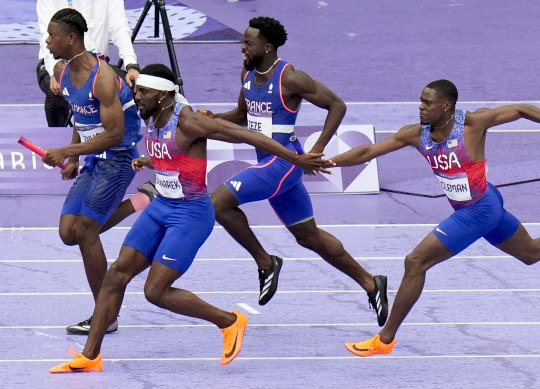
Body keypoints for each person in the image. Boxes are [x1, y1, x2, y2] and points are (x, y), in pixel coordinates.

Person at [48, 63, 334, 373]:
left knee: (155, 292)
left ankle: (230, 321)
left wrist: (296, 158)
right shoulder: (154, 117)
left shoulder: (190, 121)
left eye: (143, 92)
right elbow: (175, 156)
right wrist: (151, 159)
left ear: (164, 94)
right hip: (161, 208)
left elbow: (249, 136)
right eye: (136, 90)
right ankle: (90, 356)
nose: (136, 96)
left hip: (191, 214)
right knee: (116, 274)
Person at [331, 79, 540, 356]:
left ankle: (384, 340)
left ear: (446, 105)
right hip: (484, 204)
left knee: (415, 261)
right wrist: (329, 162)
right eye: (421, 101)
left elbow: (521, 109)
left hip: (478, 209)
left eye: (427, 103)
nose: (420, 107)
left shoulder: (474, 124)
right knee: (532, 252)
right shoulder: (414, 134)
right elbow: (367, 151)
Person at [204, 16, 388, 326]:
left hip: (284, 164)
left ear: (268, 46)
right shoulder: (247, 74)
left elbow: (337, 105)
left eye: (248, 43)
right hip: (268, 163)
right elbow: (241, 114)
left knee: (218, 203)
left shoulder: (290, 78)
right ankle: (371, 283)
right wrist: (210, 120)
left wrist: (316, 151)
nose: (242, 48)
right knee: (308, 236)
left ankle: (266, 262)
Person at [41, 8, 154, 336]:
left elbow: (115, 134)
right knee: (68, 233)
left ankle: (105, 315)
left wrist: (66, 151)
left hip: (117, 157)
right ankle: (142, 201)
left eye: (52, 36)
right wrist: (76, 157)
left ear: (71, 39)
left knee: (86, 231)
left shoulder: (103, 77)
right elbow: (79, 114)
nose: (47, 41)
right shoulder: (62, 70)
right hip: (91, 157)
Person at [36, 0, 140, 127]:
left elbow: (119, 27)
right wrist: (54, 72)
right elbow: (46, 35)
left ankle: (123, 139)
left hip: (98, 65)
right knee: (56, 97)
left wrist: (131, 64)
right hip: (56, 62)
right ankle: (58, 142)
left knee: (131, 87)